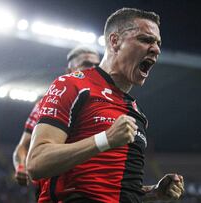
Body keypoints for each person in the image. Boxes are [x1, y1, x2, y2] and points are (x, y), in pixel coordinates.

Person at [27, 8, 184, 203]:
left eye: (158, 43)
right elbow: (36, 162)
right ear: (115, 41)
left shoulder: (136, 113)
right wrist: (105, 139)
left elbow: (114, 190)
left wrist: (154, 193)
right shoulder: (73, 84)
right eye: (145, 40)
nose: (156, 49)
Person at [12, 45, 100, 186]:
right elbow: (23, 145)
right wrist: (21, 166)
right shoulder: (47, 103)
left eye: (97, 65)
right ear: (69, 71)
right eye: (87, 64)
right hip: (57, 189)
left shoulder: (106, 103)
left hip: (98, 188)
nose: (94, 69)